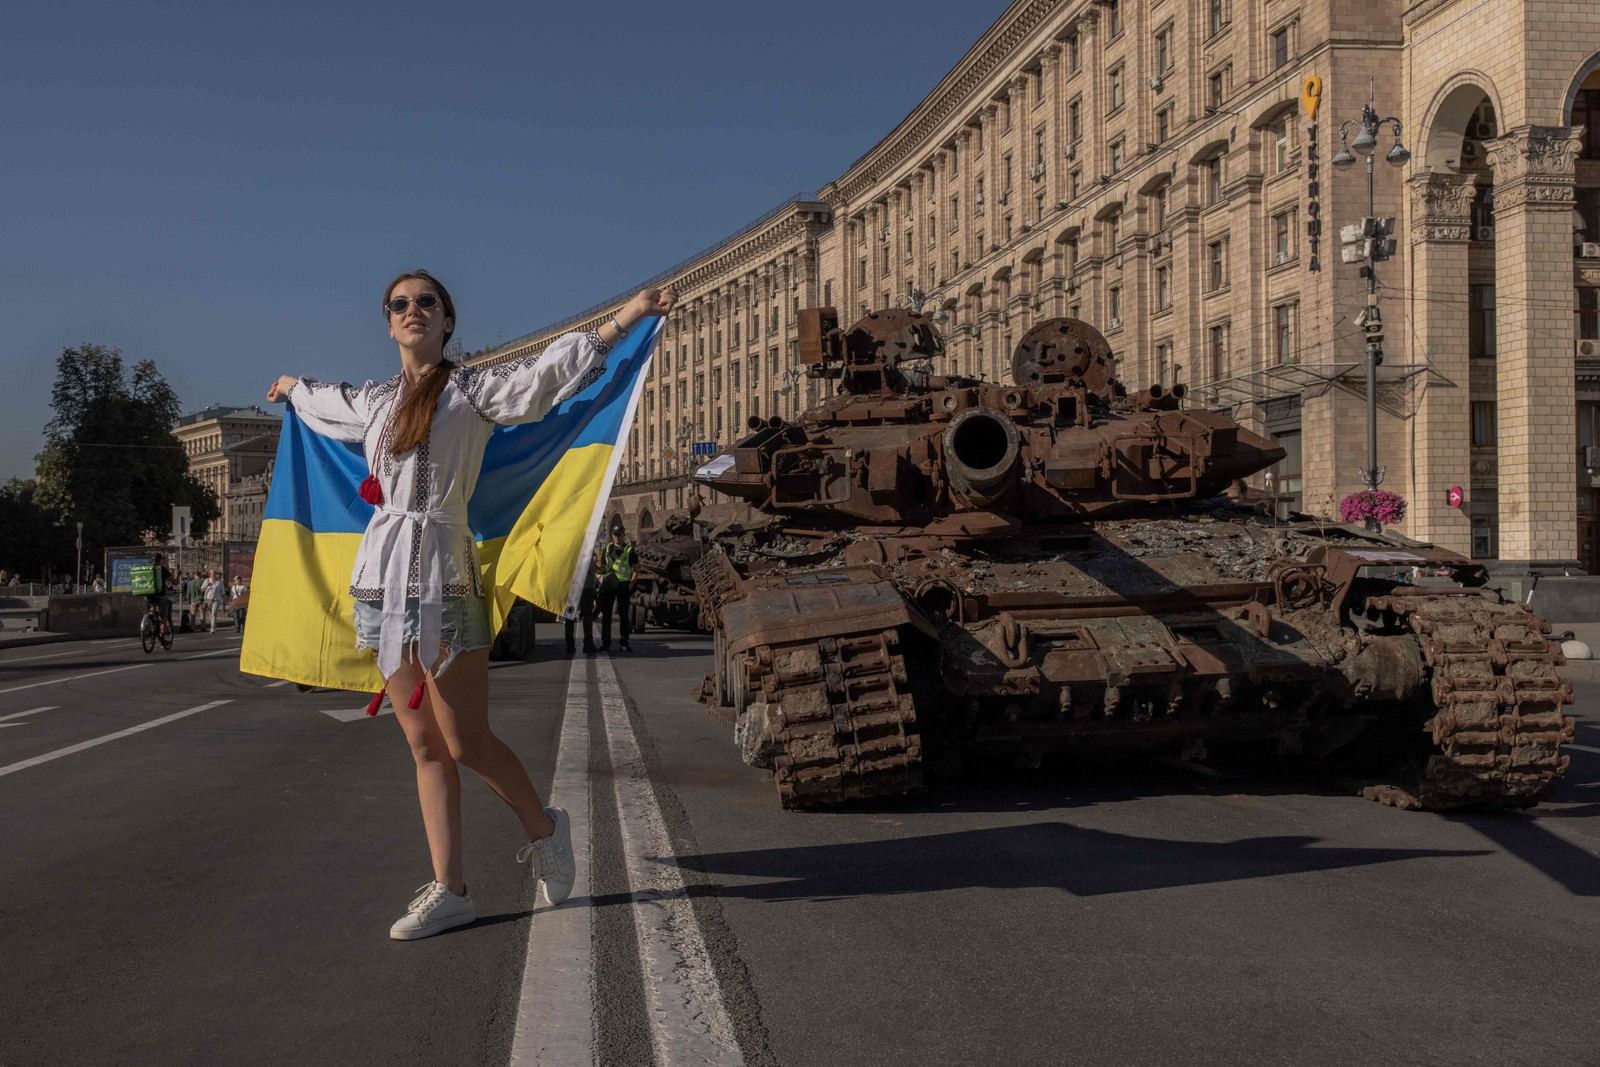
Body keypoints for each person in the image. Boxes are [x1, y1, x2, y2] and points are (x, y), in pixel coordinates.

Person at [267, 269, 675, 940]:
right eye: (400, 304)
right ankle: (450, 888)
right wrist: (288, 387)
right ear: (389, 322)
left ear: (447, 320)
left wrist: (627, 315)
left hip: (444, 578)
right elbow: (320, 401)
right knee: (423, 743)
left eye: (427, 301)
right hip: (380, 585)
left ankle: (545, 828)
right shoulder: (373, 401)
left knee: (466, 741)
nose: (413, 310)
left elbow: (548, 376)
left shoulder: (472, 391)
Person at [597, 518, 638, 653]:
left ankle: (624, 642)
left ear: (623, 535)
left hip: (623, 585)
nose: (616, 537)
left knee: (624, 616)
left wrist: (631, 586)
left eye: (619, 534)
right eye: (615, 534)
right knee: (606, 615)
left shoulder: (630, 550)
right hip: (609, 584)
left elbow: (636, 570)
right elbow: (602, 565)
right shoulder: (608, 548)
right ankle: (605, 642)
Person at [564, 545, 602, 655]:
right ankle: (588, 644)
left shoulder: (570, 547)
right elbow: (591, 569)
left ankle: (570, 645)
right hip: (585, 588)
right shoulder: (587, 547)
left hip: (571, 588)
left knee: (569, 616)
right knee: (587, 616)